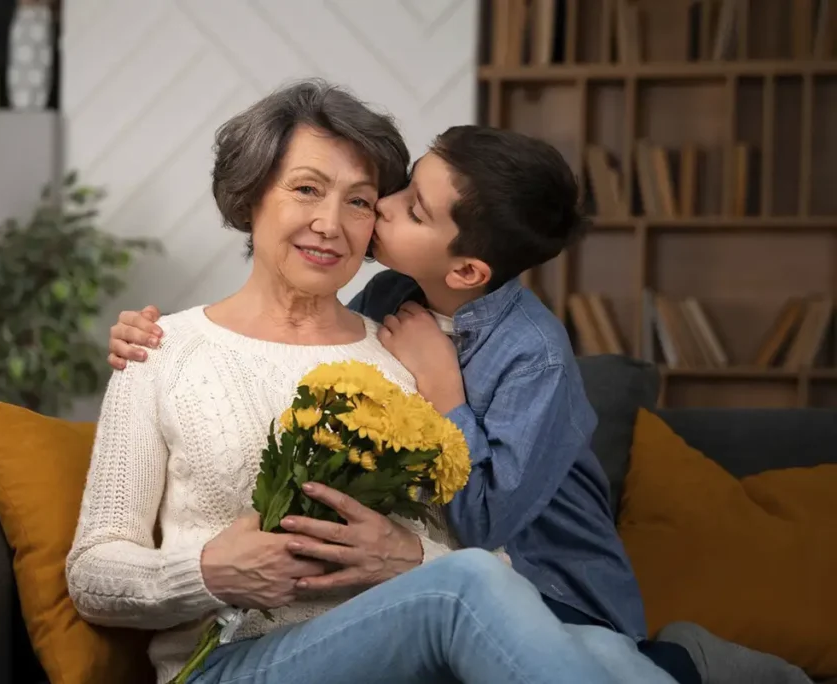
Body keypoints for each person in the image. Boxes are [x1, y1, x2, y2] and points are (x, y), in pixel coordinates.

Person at [70, 78, 680, 684]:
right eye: (307, 189)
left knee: (614, 661)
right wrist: (208, 572)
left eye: (361, 200)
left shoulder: (406, 351)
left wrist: (404, 559)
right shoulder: (160, 350)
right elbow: (93, 574)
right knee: (471, 588)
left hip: (411, 656)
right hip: (235, 658)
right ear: (251, 195)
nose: (331, 224)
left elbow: (491, 550)